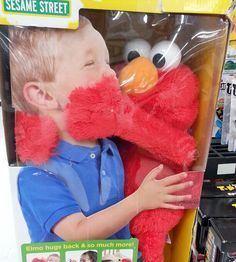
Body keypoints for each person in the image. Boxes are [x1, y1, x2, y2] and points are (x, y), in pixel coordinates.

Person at [10, 17, 193, 243]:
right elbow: (77, 232)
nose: (110, 73)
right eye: (90, 63)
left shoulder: (108, 149)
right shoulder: (38, 175)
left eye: (107, 62)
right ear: (44, 95)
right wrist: (139, 201)